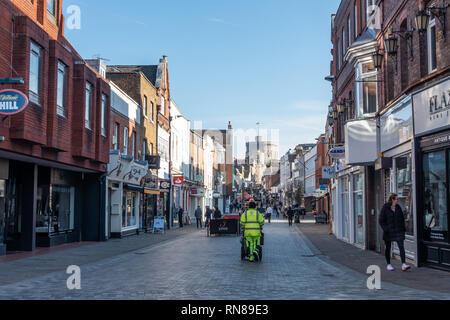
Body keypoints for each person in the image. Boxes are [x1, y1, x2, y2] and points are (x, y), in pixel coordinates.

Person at [379, 193, 411, 272]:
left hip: (398, 231)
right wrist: (386, 229)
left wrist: (403, 228)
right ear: (392, 199)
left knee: (401, 247)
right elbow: (381, 220)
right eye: (397, 199)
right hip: (389, 232)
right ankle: (388, 264)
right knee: (388, 248)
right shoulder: (385, 207)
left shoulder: (398, 207)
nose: (398, 200)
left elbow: (402, 219)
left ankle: (404, 264)